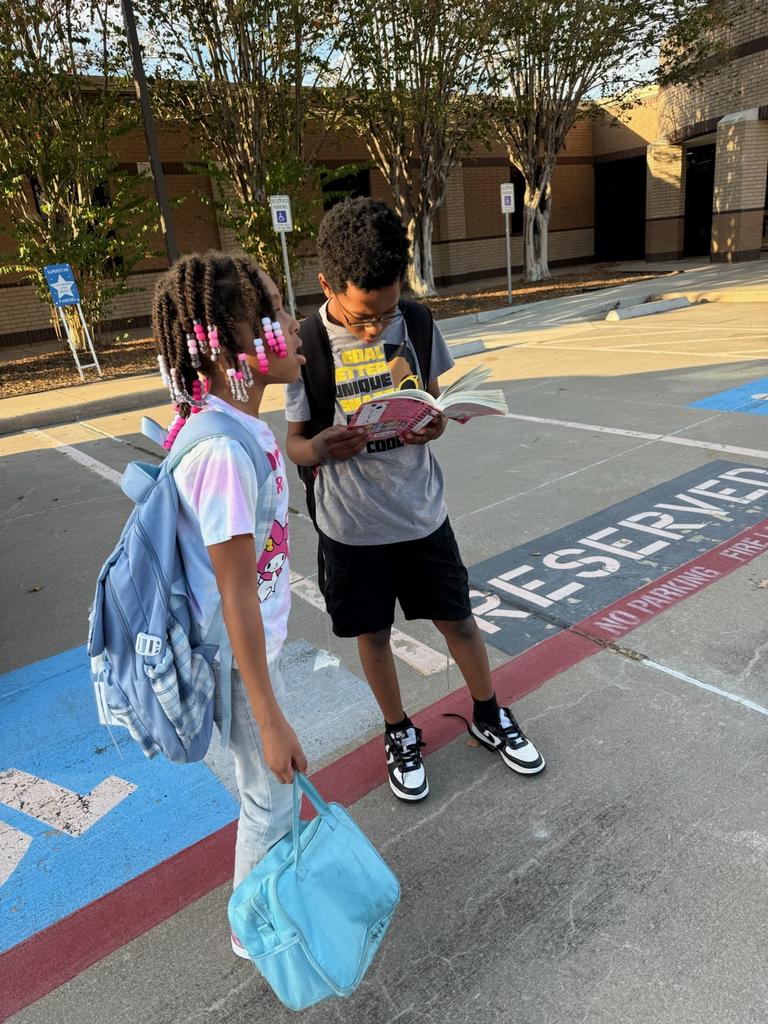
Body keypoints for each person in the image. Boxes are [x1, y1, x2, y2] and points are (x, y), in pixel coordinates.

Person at [285, 198, 544, 803]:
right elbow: (295, 444)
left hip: (422, 513)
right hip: (351, 527)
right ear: (328, 285)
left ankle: (488, 712)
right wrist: (320, 446)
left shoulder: (419, 323)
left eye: (388, 309)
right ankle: (399, 730)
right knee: (372, 635)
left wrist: (436, 424)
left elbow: (426, 402)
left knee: (458, 619)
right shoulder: (308, 347)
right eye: (363, 315)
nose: (377, 326)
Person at [152, 251, 307, 956]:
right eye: (275, 316)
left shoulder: (238, 424)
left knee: (274, 790)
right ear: (227, 347)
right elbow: (235, 593)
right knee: (270, 792)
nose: (296, 328)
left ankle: (268, 902)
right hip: (238, 667)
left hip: (251, 659)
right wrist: (270, 716)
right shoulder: (221, 450)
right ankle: (252, 929)